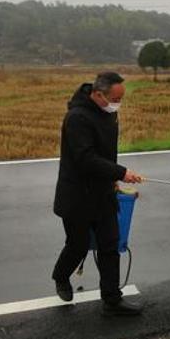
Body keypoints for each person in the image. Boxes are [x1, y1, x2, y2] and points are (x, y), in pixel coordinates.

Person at [52, 72, 143, 316]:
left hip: (103, 193)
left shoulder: (109, 113)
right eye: (114, 98)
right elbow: (85, 159)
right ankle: (61, 276)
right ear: (97, 94)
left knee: (110, 246)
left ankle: (112, 300)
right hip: (77, 196)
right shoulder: (77, 118)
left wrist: (113, 178)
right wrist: (121, 172)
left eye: (121, 99)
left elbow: (107, 154)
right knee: (78, 245)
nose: (118, 104)